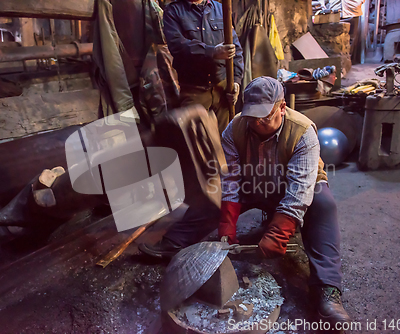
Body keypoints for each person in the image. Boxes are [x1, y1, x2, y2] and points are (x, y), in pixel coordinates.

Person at [141, 76, 351, 325]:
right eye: (252, 116)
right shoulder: (235, 128)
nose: (258, 123)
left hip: (293, 185)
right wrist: (227, 222)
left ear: (282, 107)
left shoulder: (303, 132)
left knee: (324, 205)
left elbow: (300, 189)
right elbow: (230, 180)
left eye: (266, 116)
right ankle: (176, 243)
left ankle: (328, 291)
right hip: (254, 183)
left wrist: (280, 230)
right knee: (213, 196)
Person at [162, 0, 244, 133]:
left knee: (225, 139)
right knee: (196, 143)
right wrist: (212, 51)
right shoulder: (173, 11)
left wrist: (236, 81)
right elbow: (178, 46)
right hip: (194, 90)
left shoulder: (222, 9)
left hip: (221, 89)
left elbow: (236, 50)